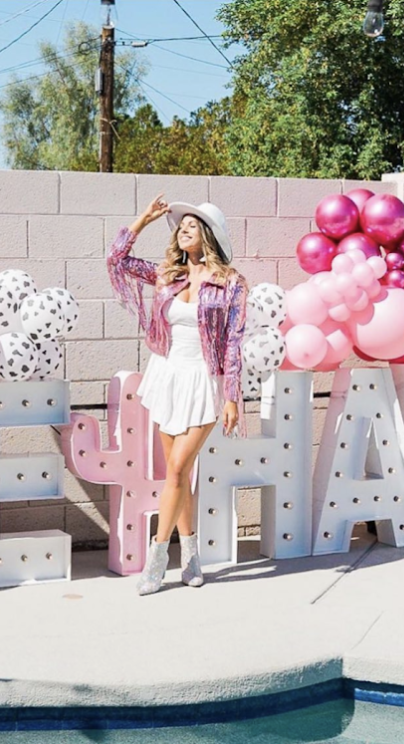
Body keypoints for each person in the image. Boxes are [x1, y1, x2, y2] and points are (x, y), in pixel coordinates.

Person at [106, 195, 247, 596]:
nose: (183, 230)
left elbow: (234, 342)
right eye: (181, 226)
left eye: (191, 226)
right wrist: (142, 221)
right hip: (166, 375)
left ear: (208, 236)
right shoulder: (169, 275)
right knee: (179, 474)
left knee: (180, 469)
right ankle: (191, 556)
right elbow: (117, 261)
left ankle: (156, 558)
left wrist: (233, 397)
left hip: (204, 379)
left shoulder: (231, 283)